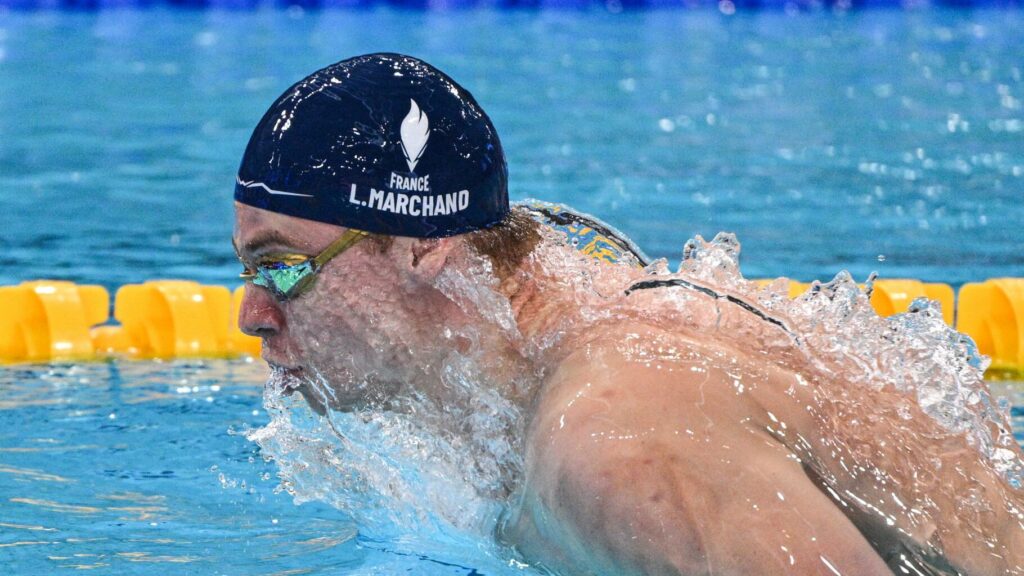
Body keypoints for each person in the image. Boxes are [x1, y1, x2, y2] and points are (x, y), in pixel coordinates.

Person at [233, 53, 1024, 575]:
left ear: (424, 247)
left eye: (282, 267)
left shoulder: (614, 446)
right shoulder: (548, 356)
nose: (250, 314)